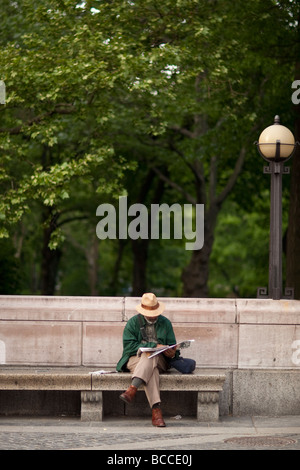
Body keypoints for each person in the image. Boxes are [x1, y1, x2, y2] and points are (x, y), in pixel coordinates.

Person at [116, 292, 183, 427]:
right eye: (149, 313)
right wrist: (152, 346)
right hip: (135, 360)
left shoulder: (165, 323)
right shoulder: (133, 323)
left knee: (152, 356)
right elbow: (128, 347)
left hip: (160, 361)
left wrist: (171, 353)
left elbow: (172, 346)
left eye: (154, 313)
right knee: (150, 365)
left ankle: (132, 388)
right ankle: (156, 411)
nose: (152, 316)